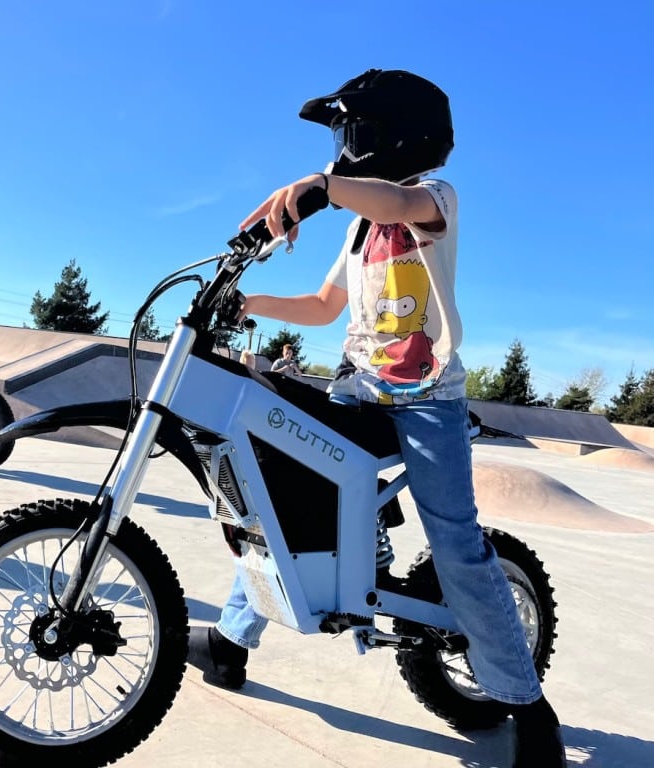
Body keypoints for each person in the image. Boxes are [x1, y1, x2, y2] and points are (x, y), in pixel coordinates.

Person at [185, 69, 566, 766]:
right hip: (358, 390)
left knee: (455, 544)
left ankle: (526, 704)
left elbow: (395, 200)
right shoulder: (361, 228)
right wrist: (252, 302)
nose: (340, 146)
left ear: (389, 133)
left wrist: (322, 187)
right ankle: (231, 642)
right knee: (280, 492)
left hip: (428, 402)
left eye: (348, 132)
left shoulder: (429, 197)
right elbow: (326, 308)